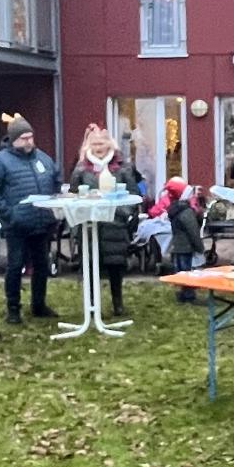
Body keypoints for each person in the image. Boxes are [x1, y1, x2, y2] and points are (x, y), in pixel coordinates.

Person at [0, 116, 62, 324]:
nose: (29, 142)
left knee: (41, 265)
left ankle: (39, 304)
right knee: (15, 265)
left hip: (42, 223)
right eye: (23, 138)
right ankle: (13, 308)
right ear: (13, 140)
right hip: (17, 225)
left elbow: (56, 181)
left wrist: (53, 210)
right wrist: (9, 215)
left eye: (30, 137)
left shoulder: (44, 159)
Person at [67, 125, 144, 320]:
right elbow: (73, 194)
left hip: (115, 224)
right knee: (91, 265)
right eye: (94, 143)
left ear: (110, 143)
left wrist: (122, 213)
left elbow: (135, 195)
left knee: (116, 266)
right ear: (88, 145)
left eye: (102, 143)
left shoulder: (123, 166)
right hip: (89, 224)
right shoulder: (81, 168)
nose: (99, 147)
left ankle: (118, 303)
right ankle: (92, 305)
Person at [160, 179, 205, 302]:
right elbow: (193, 231)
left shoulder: (174, 209)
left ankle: (183, 293)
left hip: (177, 245)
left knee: (180, 271)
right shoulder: (187, 212)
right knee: (187, 272)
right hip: (186, 246)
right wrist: (200, 247)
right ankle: (189, 295)